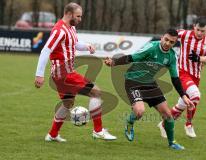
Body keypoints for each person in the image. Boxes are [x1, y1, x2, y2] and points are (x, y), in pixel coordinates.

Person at [34, 2, 116, 142]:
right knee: (95, 92)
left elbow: (75, 43)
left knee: (68, 103)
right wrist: (39, 74)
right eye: (78, 16)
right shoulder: (59, 30)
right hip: (64, 73)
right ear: (69, 14)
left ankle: (52, 134)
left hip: (63, 74)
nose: (80, 19)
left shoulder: (71, 28)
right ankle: (98, 131)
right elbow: (46, 50)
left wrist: (87, 46)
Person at [104, 29, 194, 150]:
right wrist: (114, 62)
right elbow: (132, 57)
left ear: (175, 43)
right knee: (140, 112)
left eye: (171, 42)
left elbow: (175, 78)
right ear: (162, 37)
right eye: (166, 39)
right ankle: (130, 123)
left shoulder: (172, 56)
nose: (167, 43)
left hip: (150, 83)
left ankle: (172, 143)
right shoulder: (152, 47)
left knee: (168, 115)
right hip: (133, 81)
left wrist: (183, 96)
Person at [158, 16, 206, 138]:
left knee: (183, 104)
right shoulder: (184, 34)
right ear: (194, 27)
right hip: (182, 71)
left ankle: (163, 124)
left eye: (203, 31)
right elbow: (169, 35)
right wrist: (161, 44)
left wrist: (198, 58)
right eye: (198, 29)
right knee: (195, 95)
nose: (200, 33)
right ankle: (188, 124)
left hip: (196, 76)